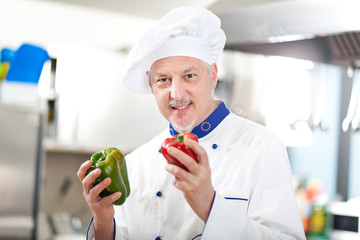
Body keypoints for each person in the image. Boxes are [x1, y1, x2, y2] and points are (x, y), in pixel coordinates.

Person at [77, 7, 306, 240]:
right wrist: (103, 221)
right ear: (152, 87)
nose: (176, 93)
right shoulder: (136, 163)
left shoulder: (262, 148)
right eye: (163, 80)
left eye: (189, 76)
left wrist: (210, 205)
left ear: (213, 75)